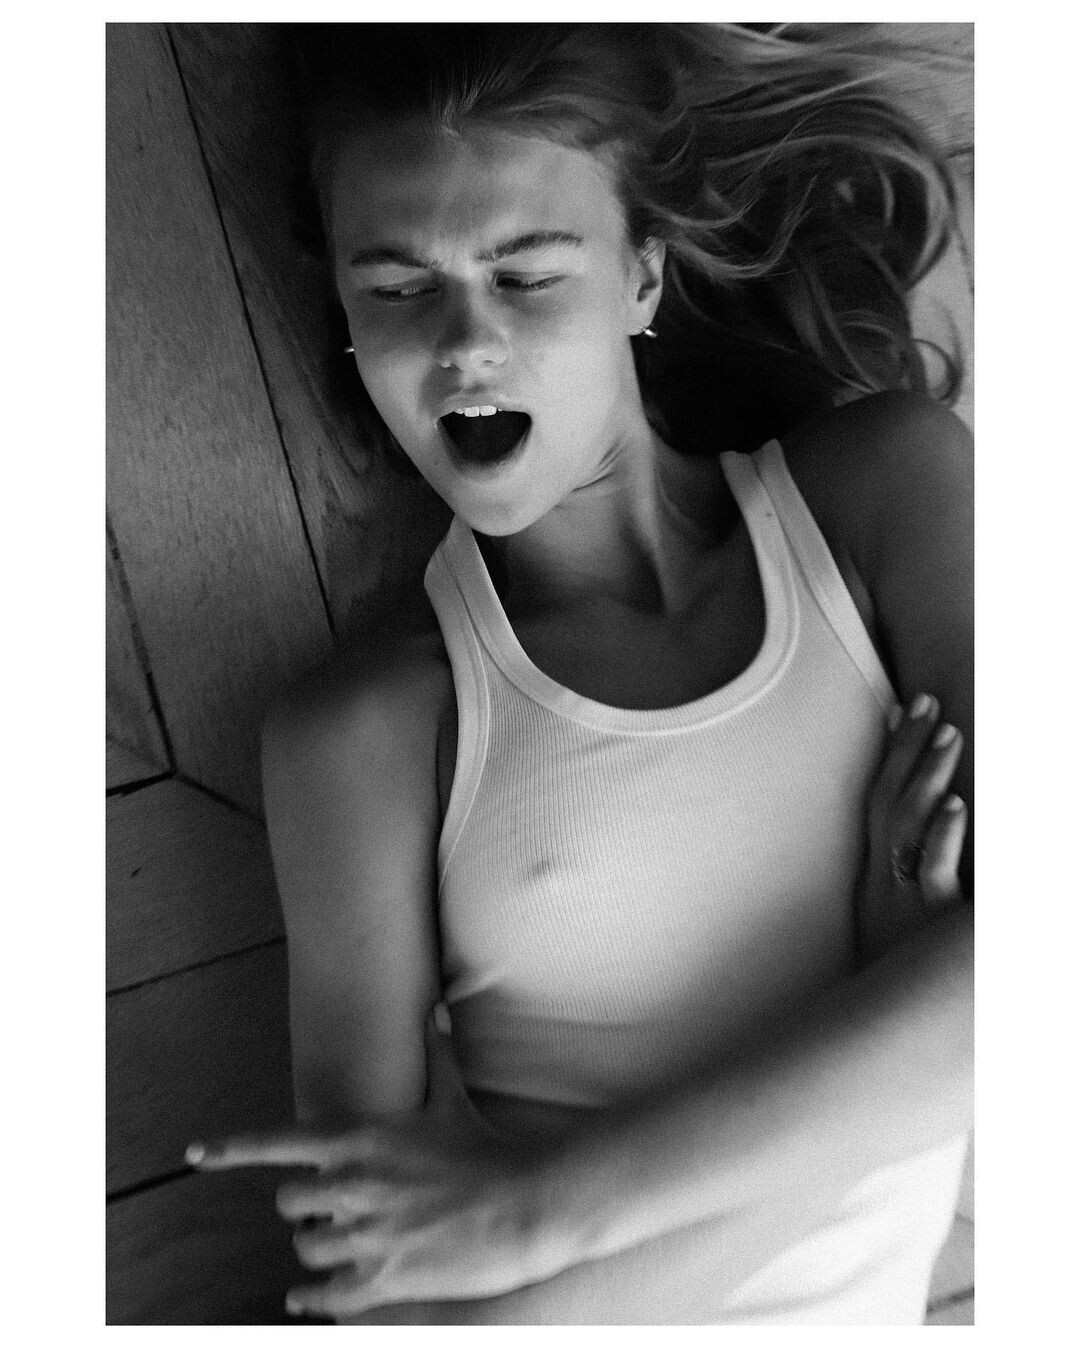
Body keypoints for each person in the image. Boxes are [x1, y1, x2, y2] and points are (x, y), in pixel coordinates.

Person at [187, 22, 973, 1324]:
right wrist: (905, 1030)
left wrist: (542, 1211)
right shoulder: (367, 731)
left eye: (528, 274)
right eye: (397, 289)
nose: (465, 345)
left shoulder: (886, 491)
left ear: (642, 277)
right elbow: (404, 1317)